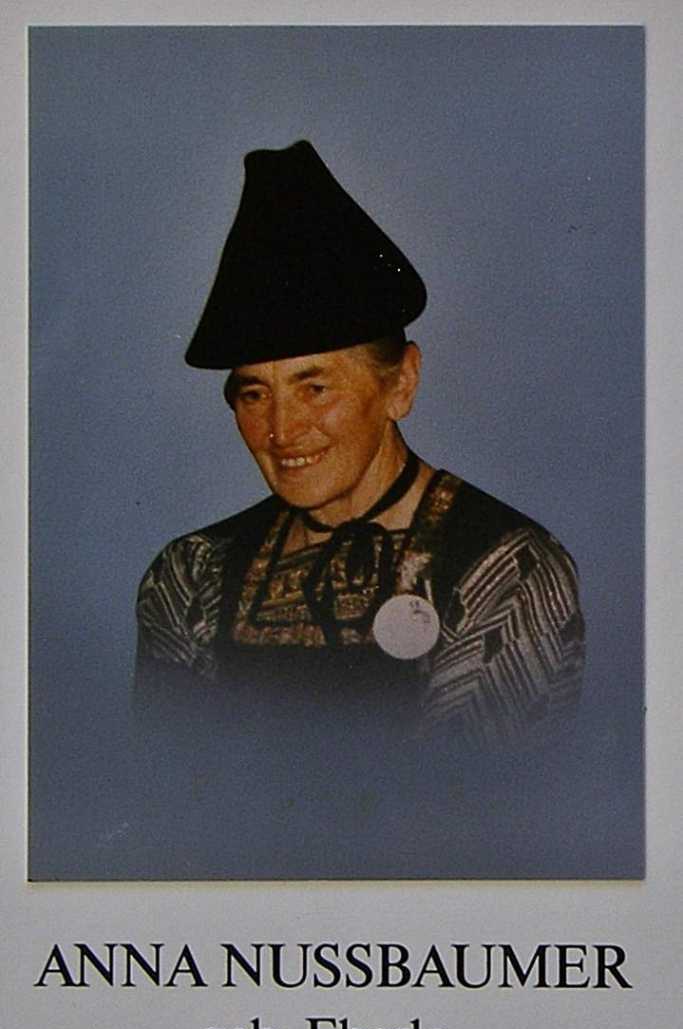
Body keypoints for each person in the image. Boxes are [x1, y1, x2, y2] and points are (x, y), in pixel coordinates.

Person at [136, 140, 584, 749]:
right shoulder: (191, 576)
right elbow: (165, 790)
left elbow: (480, 801)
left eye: (314, 387)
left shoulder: (504, 572)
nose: (282, 430)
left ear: (400, 384)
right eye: (254, 394)